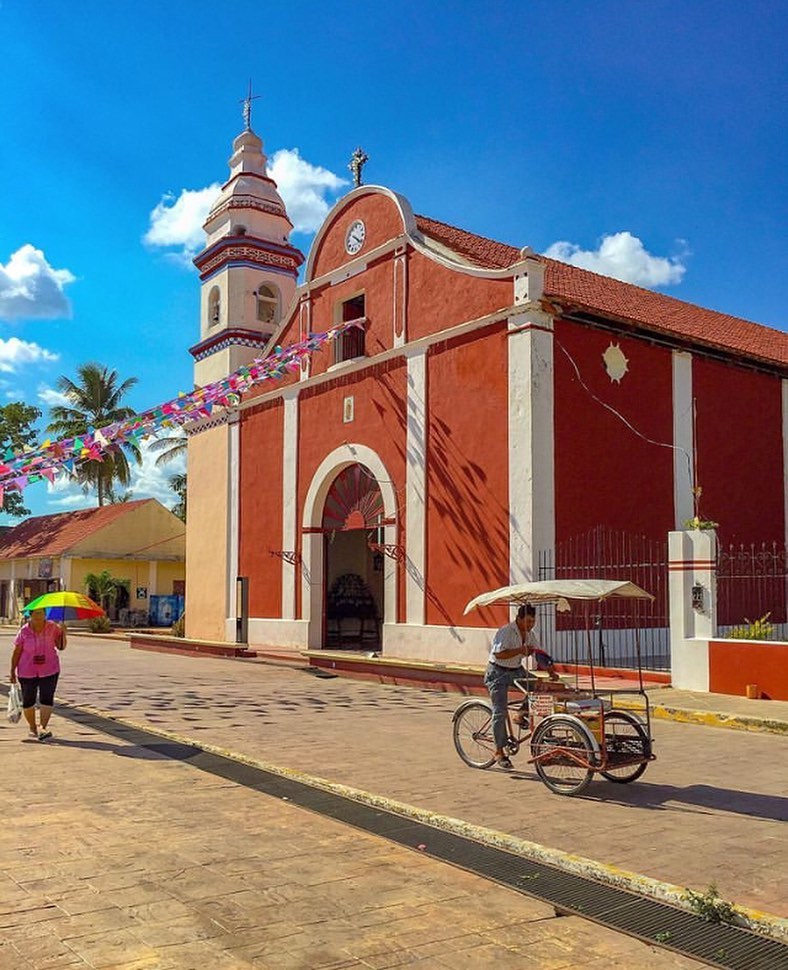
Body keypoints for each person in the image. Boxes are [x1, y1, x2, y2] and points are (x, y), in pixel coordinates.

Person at [484, 603, 558, 769]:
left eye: (533, 621)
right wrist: (519, 650)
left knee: (538, 687)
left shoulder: (530, 634)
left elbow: (539, 655)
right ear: (519, 618)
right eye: (528, 621)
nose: (531, 624)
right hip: (497, 672)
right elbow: (498, 654)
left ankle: (520, 714)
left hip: (516, 670)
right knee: (500, 711)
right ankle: (499, 751)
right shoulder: (506, 631)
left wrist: (551, 671)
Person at [9, 608, 67, 741]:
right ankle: (32, 727)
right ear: (31, 615)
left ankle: (43, 727)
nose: (39, 616)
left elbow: (61, 646)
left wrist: (63, 634)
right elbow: (17, 651)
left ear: (45, 614)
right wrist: (12, 671)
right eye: (36, 613)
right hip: (27, 670)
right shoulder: (24, 631)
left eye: (41, 613)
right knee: (28, 700)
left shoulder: (53, 627)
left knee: (47, 698)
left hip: (50, 669)